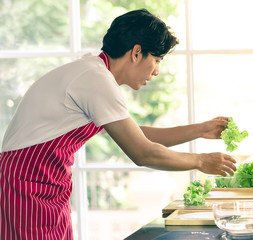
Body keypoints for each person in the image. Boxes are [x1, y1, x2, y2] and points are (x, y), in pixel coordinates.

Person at [0, 9, 237, 239]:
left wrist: (200, 130)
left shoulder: (94, 73)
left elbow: (135, 134)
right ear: (136, 52)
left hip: (47, 183)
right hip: (26, 183)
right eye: (156, 59)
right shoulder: (95, 79)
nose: (156, 72)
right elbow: (142, 152)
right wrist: (201, 161)